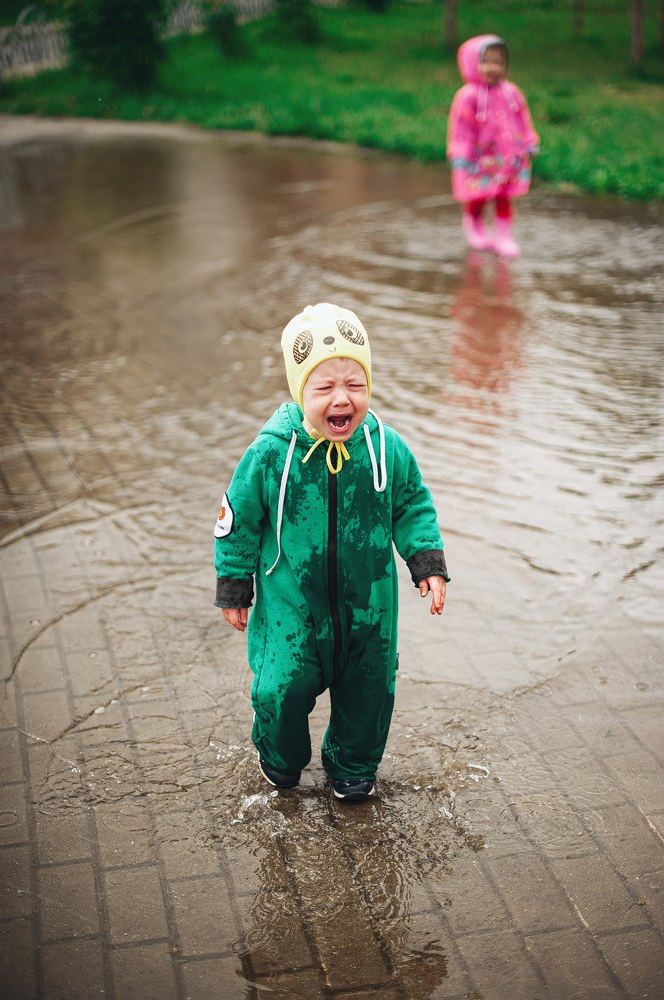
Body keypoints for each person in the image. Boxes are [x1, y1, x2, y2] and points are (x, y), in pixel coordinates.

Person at [213, 302, 449, 803]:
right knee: (280, 688)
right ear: (301, 391)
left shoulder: (385, 448)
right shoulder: (272, 453)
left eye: (355, 384)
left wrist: (426, 561)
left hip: (369, 608)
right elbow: (238, 518)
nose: (343, 398)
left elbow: (411, 503)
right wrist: (235, 585)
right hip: (291, 606)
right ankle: (279, 758)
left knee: (370, 692)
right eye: (325, 387)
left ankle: (353, 765)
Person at [446, 34, 539, 257]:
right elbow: (461, 128)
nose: (492, 68)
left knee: (503, 195)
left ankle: (504, 236)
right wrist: (461, 152)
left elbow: (522, 118)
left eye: (498, 62)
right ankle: (475, 228)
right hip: (479, 158)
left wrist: (529, 140)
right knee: (478, 195)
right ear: (472, 63)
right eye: (485, 61)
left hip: (507, 157)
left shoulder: (511, 92)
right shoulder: (468, 96)